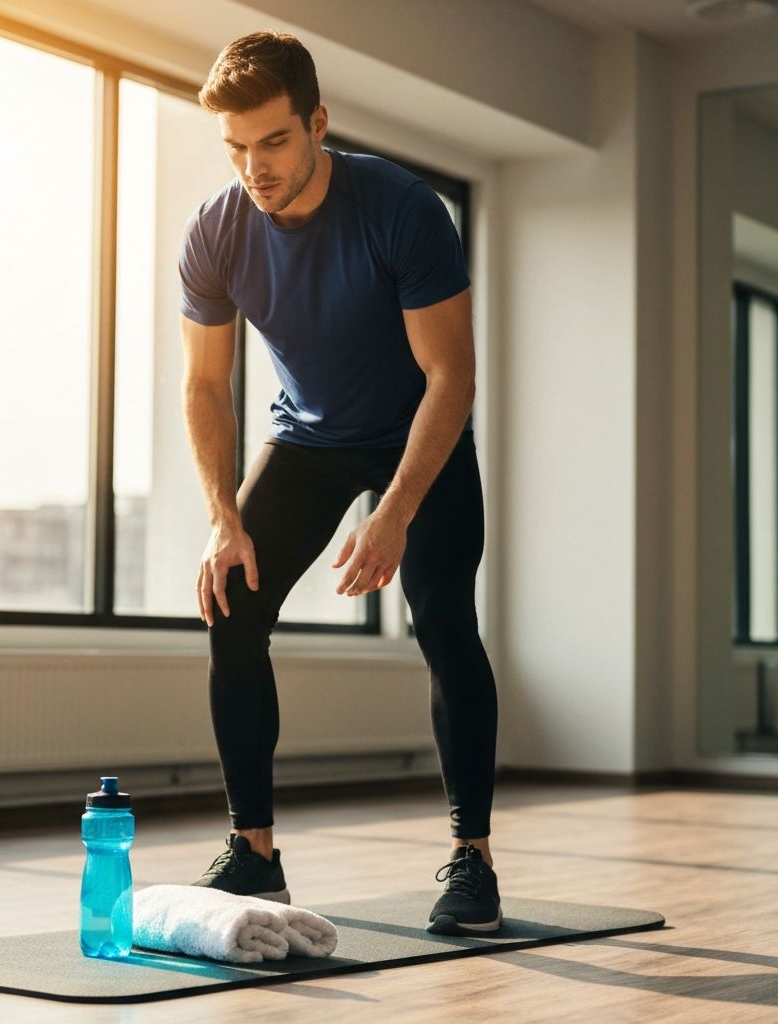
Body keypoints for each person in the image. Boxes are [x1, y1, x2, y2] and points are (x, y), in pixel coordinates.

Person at [177, 30, 501, 934]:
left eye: (273, 142)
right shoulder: (217, 229)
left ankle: (472, 860)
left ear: (317, 123)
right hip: (310, 439)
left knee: (443, 620)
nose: (256, 167)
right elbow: (206, 383)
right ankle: (255, 855)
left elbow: (452, 376)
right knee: (231, 600)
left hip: (416, 434)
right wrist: (220, 519)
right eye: (236, 148)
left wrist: (395, 512)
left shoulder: (401, 208)